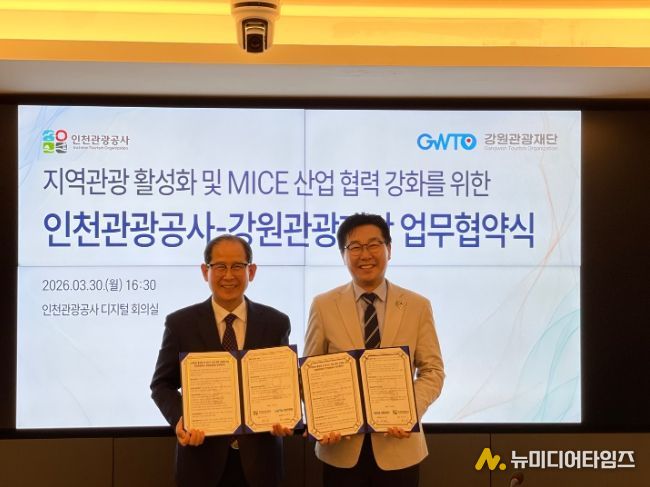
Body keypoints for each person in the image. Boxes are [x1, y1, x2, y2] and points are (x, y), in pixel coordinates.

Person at [304, 213, 445, 487]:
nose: (365, 255)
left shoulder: (417, 306)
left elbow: (433, 371)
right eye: (355, 247)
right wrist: (323, 418)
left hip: (400, 448)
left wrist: (409, 411)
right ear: (343, 255)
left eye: (373, 245)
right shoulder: (323, 305)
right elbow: (309, 373)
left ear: (389, 249)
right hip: (341, 449)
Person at [150, 234, 292, 487]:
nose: (228, 275)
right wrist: (182, 419)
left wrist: (286, 414)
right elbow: (162, 385)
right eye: (219, 267)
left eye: (237, 266)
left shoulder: (276, 323)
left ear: (251, 271)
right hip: (201, 459)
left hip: (261, 462)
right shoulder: (180, 324)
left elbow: (282, 384)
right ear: (205, 271)